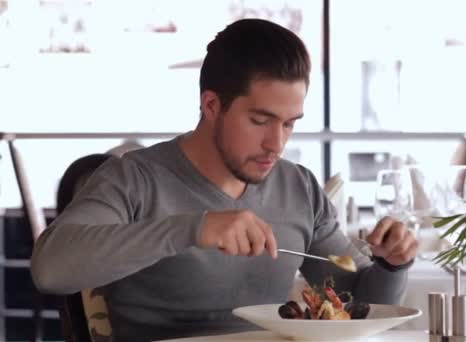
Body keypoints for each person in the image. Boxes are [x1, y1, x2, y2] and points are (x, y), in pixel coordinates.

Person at [31, 18, 419, 341]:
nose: (276, 143)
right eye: (260, 121)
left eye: (289, 124)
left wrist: (392, 265)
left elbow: (357, 301)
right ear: (211, 105)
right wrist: (192, 229)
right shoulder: (134, 178)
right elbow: (51, 269)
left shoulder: (299, 187)